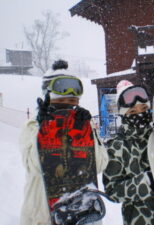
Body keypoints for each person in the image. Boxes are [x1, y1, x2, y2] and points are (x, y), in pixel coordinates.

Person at [19, 60, 108, 225]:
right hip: (43, 215)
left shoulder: (84, 125)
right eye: (60, 103)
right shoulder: (33, 126)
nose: (67, 108)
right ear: (47, 99)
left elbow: (100, 164)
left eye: (72, 102)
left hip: (83, 213)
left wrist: (86, 135)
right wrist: (47, 128)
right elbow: (34, 165)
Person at [102, 80, 154, 225]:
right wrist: (144, 184)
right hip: (140, 219)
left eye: (143, 108)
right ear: (124, 114)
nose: (140, 114)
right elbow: (112, 190)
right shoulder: (117, 146)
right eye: (133, 111)